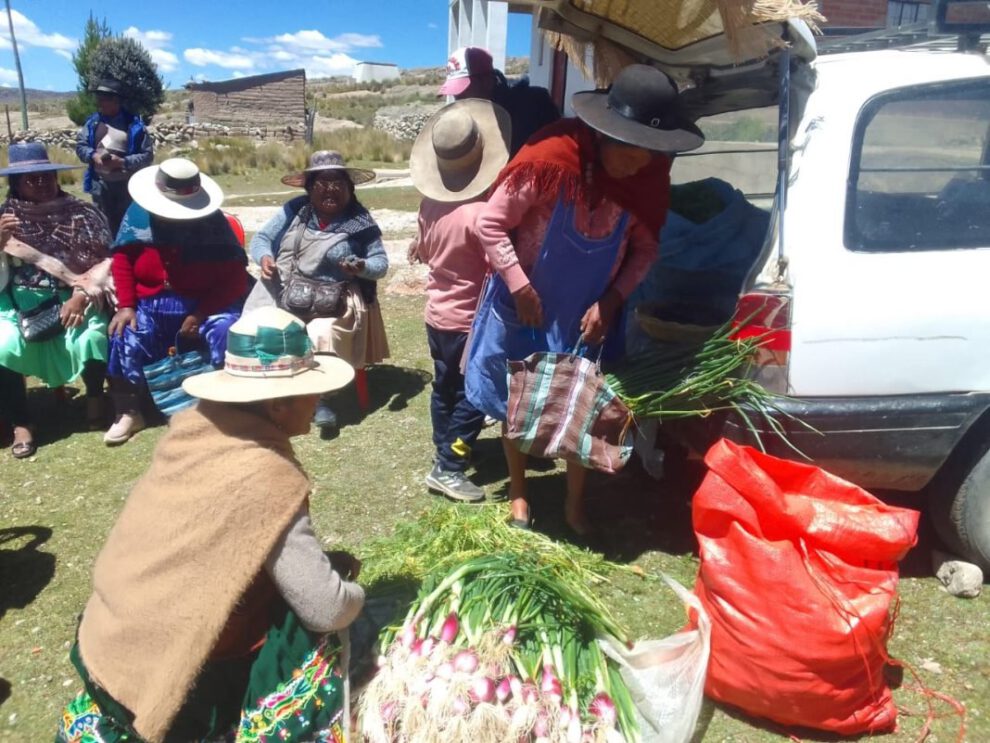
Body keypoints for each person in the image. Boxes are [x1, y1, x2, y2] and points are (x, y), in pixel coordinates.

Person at [56, 307, 364, 742]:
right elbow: (325, 607)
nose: (318, 403)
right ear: (278, 405)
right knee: (313, 630)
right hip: (171, 668)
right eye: (311, 393)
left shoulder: (193, 429)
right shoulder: (266, 475)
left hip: (111, 638)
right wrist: (355, 595)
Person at [464, 64, 705, 535]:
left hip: (584, 315)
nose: (641, 166)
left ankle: (576, 502)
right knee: (516, 402)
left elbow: (645, 248)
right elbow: (488, 224)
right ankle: (519, 494)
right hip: (524, 308)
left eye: (651, 155)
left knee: (580, 406)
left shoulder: (645, 178)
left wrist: (613, 300)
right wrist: (518, 284)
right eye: (633, 153)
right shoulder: (549, 161)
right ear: (604, 135)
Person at [409, 99, 511, 502]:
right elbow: (499, 267)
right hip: (469, 321)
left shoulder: (429, 204)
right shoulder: (481, 215)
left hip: (437, 315)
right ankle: (450, 466)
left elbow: (425, 248)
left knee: (444, 387)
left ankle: (443, 448)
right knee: (474, 393)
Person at [104, 158, 248, 445]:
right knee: (125, 333)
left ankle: (223, 405)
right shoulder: (137, 215)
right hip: (150, 305)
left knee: (224, 331)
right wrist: (127, 305)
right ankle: (130, 410)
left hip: (205, 305)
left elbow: (235, 280)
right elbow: (122, 260)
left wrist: (199, 314)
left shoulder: (213, 225)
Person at [245, 151, 390, 433]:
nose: (330, 192)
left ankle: (320, 399)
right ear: (309, 188)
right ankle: (267, 392)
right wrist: (264, 258)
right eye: (322, 185)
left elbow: (380, 264)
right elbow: (262, 238)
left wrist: (361, 267)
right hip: (289, 286)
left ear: (350, 189)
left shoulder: (360, 221)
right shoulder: (295, 210)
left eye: (338, 185)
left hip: (337, 299)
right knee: (257, 320)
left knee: (320, 334)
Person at [0, 142, 114, 459]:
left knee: (90, 335)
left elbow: (106, 262)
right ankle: (22, 423)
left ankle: (95, 398)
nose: (41, 183)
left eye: (46, 176)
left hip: (78, 296)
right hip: (21, 301)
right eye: (31, 179)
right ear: (16, 184)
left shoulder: (84, 212)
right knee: (3, 345)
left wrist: (79, 294)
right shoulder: (3, 219)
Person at [439, 46, 559, 155]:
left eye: (463, 90)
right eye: (454, 92)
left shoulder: (534, 107)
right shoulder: (468, 121)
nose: (457, 98)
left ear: (487, 82)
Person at [75, 78, 154, 235]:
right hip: (100, 185)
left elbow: (147, 155)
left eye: (104, 99)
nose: (99, 103)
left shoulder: (134, 126)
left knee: (127, 224)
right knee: (103, 224)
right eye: (99, 99)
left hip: (126, 186)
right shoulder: (92, 123)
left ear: (116, 100)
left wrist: (123, 162)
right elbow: (80, 146)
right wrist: (93, 155)